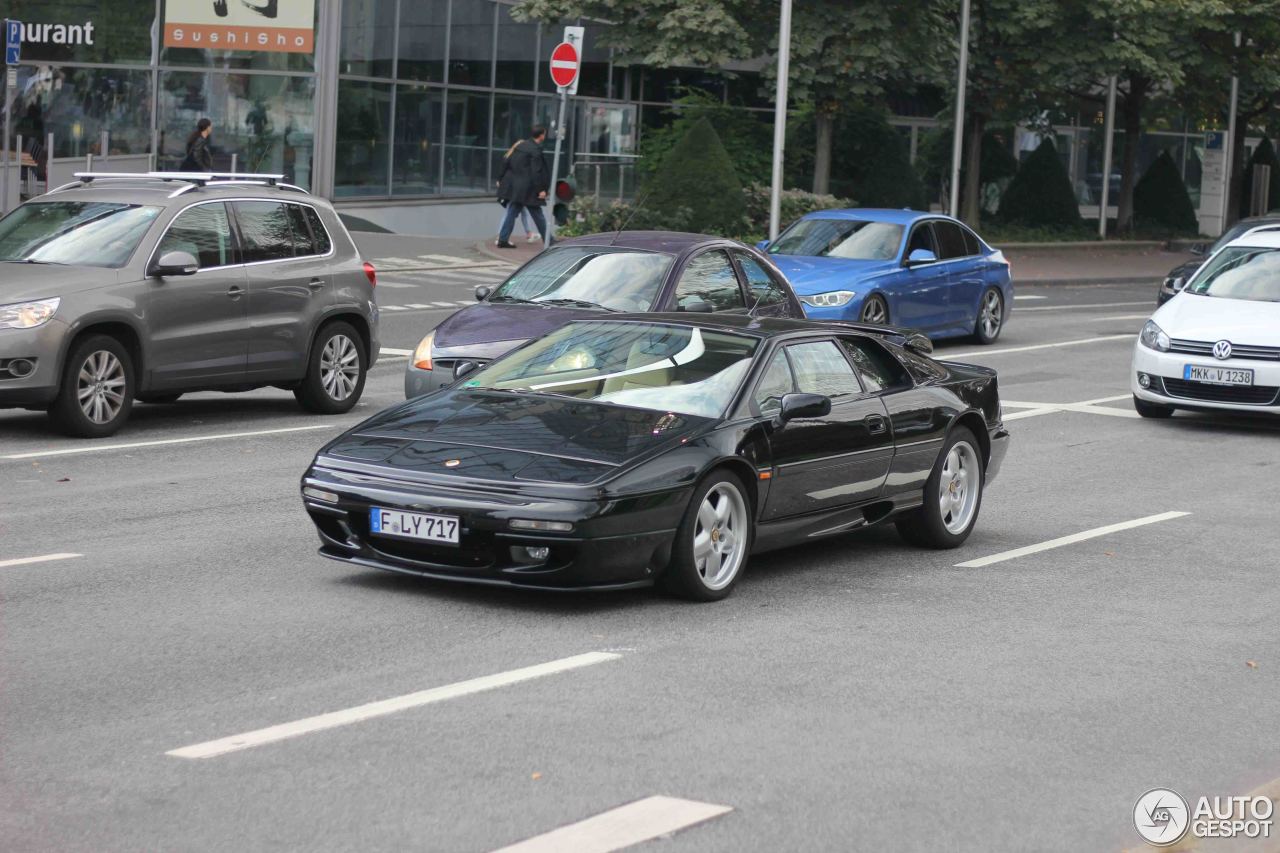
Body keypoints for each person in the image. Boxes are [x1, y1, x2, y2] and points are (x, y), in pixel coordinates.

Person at [494, 125, 550, 248]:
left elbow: (507, 162)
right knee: (538, 214)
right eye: (544, 134)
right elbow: (537, 171)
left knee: (512, 212)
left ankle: (503, 239)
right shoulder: (535, 150)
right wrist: (541, 189)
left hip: (517, 187)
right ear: (541, 136)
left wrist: (501, 178)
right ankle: (549, 240)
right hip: (529, 189)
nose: (544, 136)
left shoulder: (520, 146)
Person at [496, 141, 539, 244]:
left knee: (523, 211)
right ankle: (500, 236)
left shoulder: (508, 156)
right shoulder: (516, 158)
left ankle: (529, 233)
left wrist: (499, 180)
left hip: (510, 188)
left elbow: (502, 171)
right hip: (514, 189)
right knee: (510, 212)